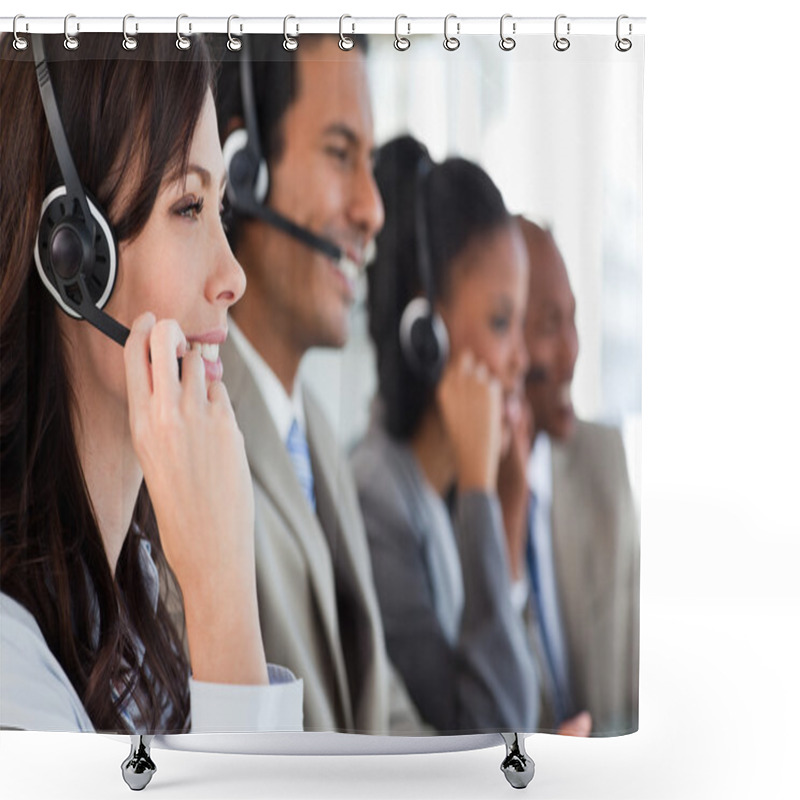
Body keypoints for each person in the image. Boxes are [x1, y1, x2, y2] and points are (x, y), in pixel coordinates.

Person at [0, 33, 302, 734]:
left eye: (219, 208)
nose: (234, 277)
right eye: (189, 208)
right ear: (70, 253)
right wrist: (223, 593)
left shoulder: (128, 590)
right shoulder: (11, 674)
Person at [214, 36, 421, 733]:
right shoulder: (189, 443)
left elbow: (380, 711)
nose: (373, 210)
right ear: (245, 173)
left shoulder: (318, 441)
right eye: (340, 154)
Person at [349, 135, 540, 733]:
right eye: (501, 321)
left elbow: (523, 700)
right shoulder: (377, 502)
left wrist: (503, 508)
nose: (521, 359)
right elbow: (493, 732)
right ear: (425, 329)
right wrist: (483, 491)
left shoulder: (439, 493)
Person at [517, 217, 639, 735]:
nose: (572, 352)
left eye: (574, 321)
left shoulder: (603, 463)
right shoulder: (452, 506)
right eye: (549, 326)